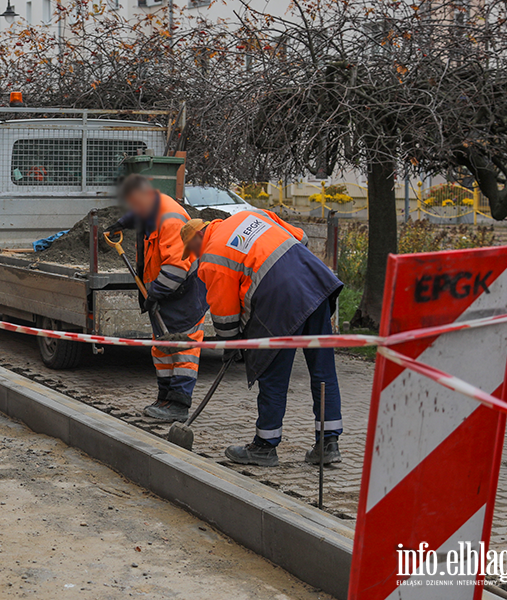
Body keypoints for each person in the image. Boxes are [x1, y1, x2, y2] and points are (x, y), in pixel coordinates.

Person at [180, 211, 344, 467]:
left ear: (200, 235)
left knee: (272, 375)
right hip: (314, 281)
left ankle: (265, 447)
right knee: (323, 370)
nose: (195, 256)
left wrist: (231, 345)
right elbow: (301, 238)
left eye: (192, 249)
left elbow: (225, 313)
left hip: (280, 302)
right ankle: (328, 444)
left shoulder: (212, 256)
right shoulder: (250, 215)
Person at [105, 175, 208, 422]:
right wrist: (121, 223)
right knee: (162, 348)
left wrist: (154, 293)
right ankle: (164, 397)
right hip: (165, 293)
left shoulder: (170, 220)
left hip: (183, 293)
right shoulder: (150, 206)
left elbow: (177, 267)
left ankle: (179, 404)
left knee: (184, 348)